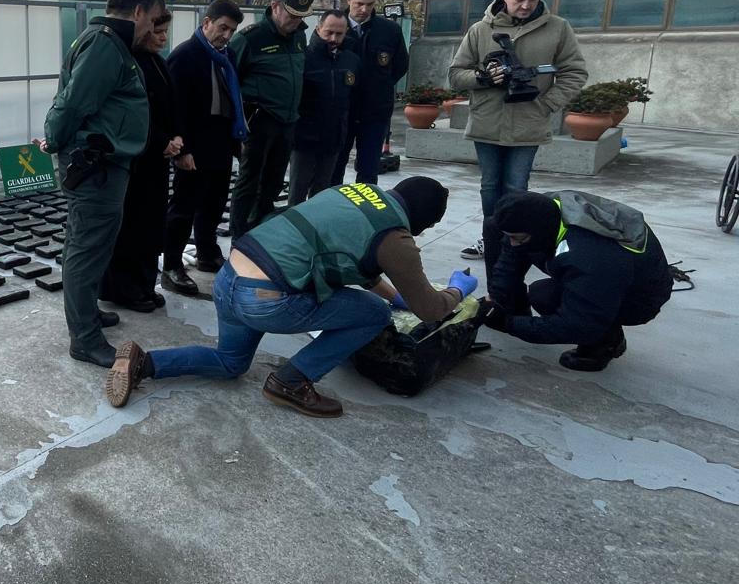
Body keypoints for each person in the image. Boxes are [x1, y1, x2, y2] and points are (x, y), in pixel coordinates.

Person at [105, 176, 477, 416]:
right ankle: (292, 382)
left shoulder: (350, 192)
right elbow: (428, 310)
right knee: (372, 314)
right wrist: (458, 289)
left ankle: (145, 362)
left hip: (229, 279)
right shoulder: (397, 239)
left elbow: (346, 256)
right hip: (265, 300)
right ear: (425, 221)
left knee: (230, 363)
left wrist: (393, 293)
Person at [43, 0, 167, 368]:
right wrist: (55, 140)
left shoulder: (111, 42)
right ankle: (84, 338)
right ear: (138, 12)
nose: (154, 27)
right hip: (95, 166)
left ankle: (88, 315)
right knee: (86, 247)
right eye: (155, 18)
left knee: (93, 244)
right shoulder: (105, 44)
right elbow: (73, 104)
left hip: (105, 164)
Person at [447, 0, 587, 270]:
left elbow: (575, 72)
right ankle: (491, 237)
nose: (525, 5)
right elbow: (456, 75)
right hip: (487, 122)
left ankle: (514, 245)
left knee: (516, 187)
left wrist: (547, 104)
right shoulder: (480, 30)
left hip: (528, 123)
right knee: (490, 187)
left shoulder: (558, 28)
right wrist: (484, 78)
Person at [479, 190, 673, 371]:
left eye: (518, 238)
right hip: (606, 271)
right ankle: (512, 307)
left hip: (639, 298)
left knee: (545, 295)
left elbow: (577, 325)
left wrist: (510, 325)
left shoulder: (591, 256)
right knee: (496, 230)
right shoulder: (542, 210)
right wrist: (497, 298)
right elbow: (509, 254)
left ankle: (606, 343)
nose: (512, 243)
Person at [159, 0, 246, 297]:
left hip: (220, 141)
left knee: (213, 203)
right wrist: (182, 151)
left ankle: (207, 254)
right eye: (222, 27)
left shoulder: (226, 55)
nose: (226, 34)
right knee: (184, 207)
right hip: (194, 142)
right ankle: (172, 267)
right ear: (206, 22)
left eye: (232, 30)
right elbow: (174, 107)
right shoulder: (186, 55)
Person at [100, 11, 183, 312]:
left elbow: (170, 107)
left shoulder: (158, 62)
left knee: (151, 226)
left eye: (165, 32)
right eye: (157, 31)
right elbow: (134, 116)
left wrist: (177, 138)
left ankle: (144, 285)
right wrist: (163, 140)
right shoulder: (129, 63)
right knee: (132, 227)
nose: (162, 37)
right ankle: (125, 290)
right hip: (136, 158)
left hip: (158, 158)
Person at [226, 0, 314, 237]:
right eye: (292, 14)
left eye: (301, 16)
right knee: (248, 182)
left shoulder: (299, 37)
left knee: (274, 182)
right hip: (259, 121)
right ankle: (240, 237)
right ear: (275, 6)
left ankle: (260, 232)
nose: (296, 21)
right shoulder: (250, 39)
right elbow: (230, 81)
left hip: (287, 121)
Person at [331, 0, 409, 185]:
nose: (364, 9)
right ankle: (331, 210)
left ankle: (365, 214)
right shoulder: (334, 27)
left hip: (375, 111)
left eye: (370, 4)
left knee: (368, 170)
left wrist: (378, 87)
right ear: (349, 0)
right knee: (333, 167)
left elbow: (400, 66)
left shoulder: (389, 30)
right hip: (341, 111)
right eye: (359, 4)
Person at [288, 9, 360, 205]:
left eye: (340, 33)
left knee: (322, 194)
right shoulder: (303, 58)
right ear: (319, 28)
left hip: (333, 138)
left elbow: (352, 98)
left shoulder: (351, 60)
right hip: (304, 138)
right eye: (329, 32)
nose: (334, 38)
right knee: (297, 193)